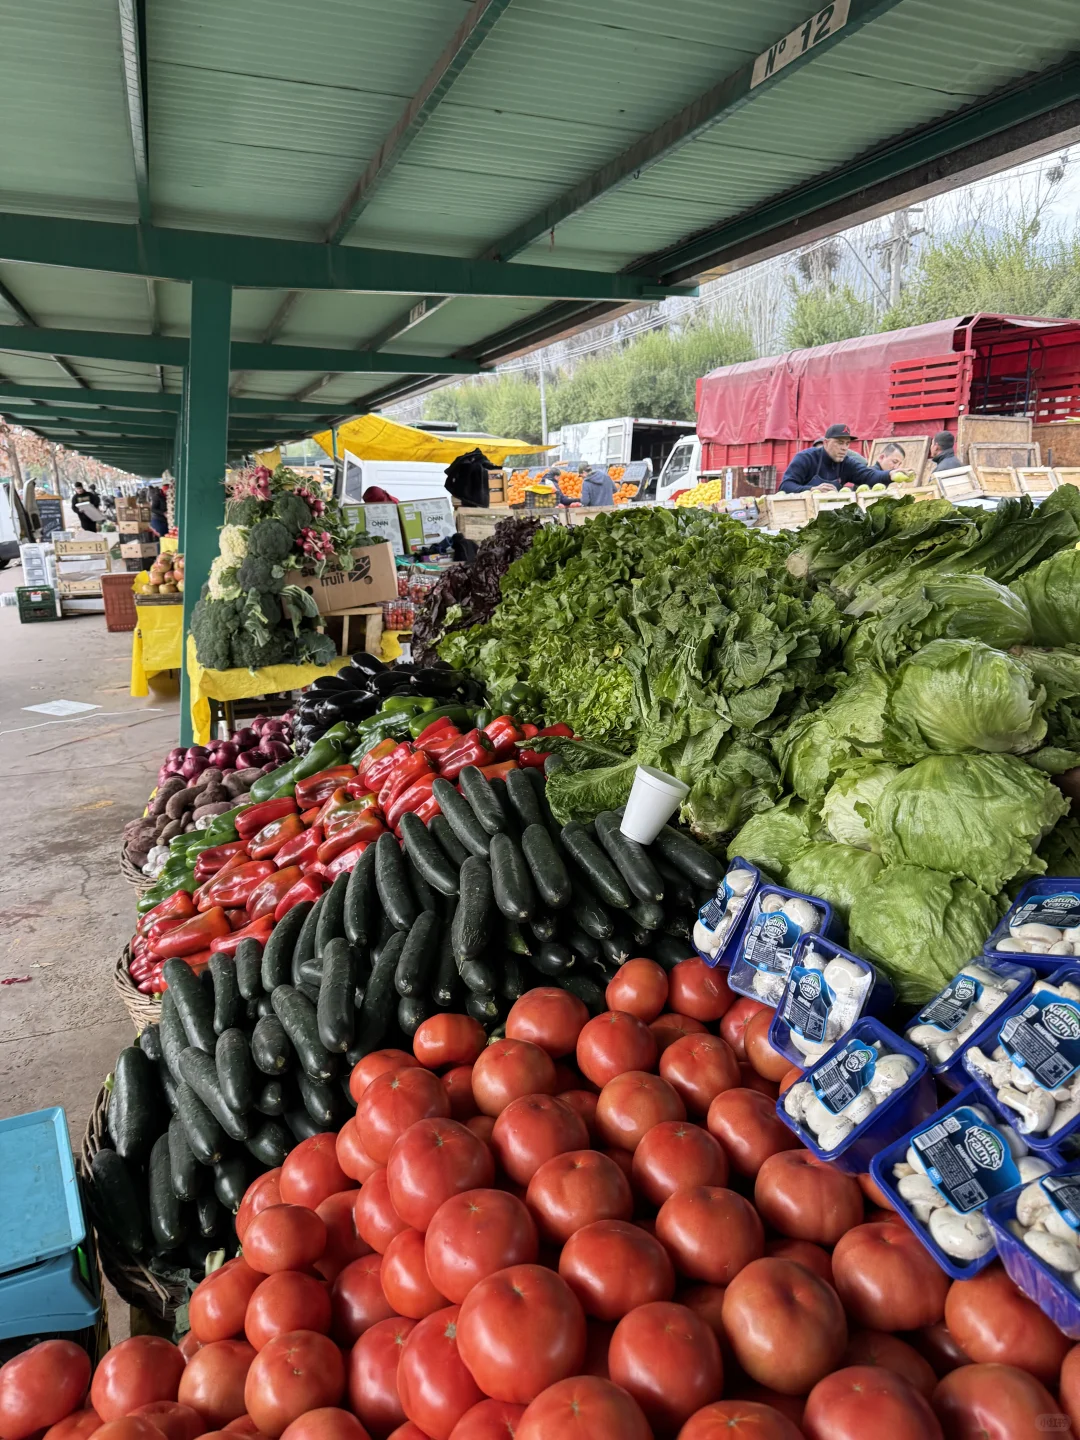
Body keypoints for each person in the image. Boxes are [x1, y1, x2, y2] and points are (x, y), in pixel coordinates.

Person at [779, 424, 903, 494]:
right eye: (839, 442)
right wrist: (812, 489)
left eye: (847, 443)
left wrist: (890, 475)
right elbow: (786, 486)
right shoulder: (806, 458)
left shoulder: (847, 463)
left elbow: (869, 475)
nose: (844, 448)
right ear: (826, 443)